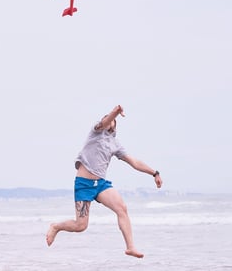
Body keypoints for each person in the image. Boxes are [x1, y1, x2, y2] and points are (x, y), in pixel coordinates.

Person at [46, 105, 163, 258]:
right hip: (84, 184)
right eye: (108, 118)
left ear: (115, 126)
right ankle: (56, 226)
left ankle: (130, 247)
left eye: (113, 120)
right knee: (81, 226)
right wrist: (115, 112)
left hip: (100, 185)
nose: (109, 120)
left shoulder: (115, 144)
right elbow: (106, 120)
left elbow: (134, 162)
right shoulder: (96, 132)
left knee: (122, 208)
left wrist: (154, 173)